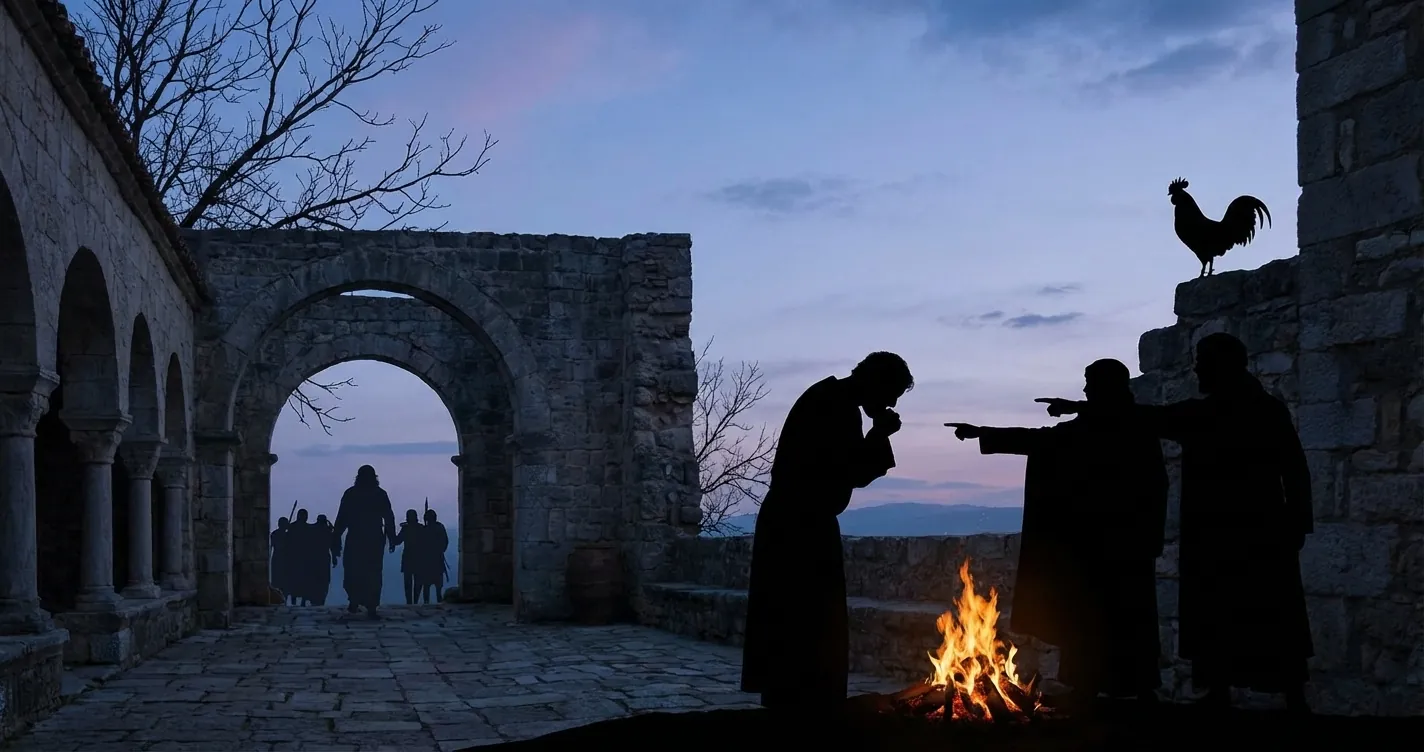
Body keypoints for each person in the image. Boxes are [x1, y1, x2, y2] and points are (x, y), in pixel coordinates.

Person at [1036, 333, 1313, 713]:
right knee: (1243, 612)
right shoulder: (1255, 410)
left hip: (1243, 533)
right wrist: (1297, 521)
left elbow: (1293, 468)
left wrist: (1297, 522)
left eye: (1203, 360)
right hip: (1244, 532)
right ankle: (1236, 694)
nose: (1197, 367)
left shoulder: (1225, 413)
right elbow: (1148, 418)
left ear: (1223, 364)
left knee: (1261, 612)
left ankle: (1264, 696)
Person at [948, 358, 1168, 707]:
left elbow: (1044, 441)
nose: (1084, 390)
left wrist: (983, 433)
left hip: (1104, 546)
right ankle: (1123, 688)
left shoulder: (1118, 426)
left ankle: (1093, 687)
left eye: (1089, 384)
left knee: (1102, 620)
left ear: (1103, 387)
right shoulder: (1133, 425)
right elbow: (1047, 440)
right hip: (1126, 545)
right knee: (1122, 619)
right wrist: (984, 433)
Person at [741, 351, 914, 717]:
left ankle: (796, 702)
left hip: (798, 522)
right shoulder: (834, 406)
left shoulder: (830, 399)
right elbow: (847, 470)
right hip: (800, 528)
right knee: (807, 624)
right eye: (892, 392)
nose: (892, 402)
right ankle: (806, 708)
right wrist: (879, 434)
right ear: (875, 382)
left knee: (797, 622)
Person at [331, 465, 398, 618]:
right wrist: (391, 537)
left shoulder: (351, 494)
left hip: (358, 537)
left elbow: (342, 519)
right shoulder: (379, 494)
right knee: (370, 572)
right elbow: (388, 517)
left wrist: (336, 537)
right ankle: (368, 604)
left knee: (356, 571)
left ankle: (357, 601)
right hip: (372, 538)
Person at [393, 509, 424, 605]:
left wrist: (391, 536)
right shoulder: (421, 528)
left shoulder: (406, 529)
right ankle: (414, 601)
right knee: (417, 581)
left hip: (408, 556)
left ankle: (410, 602)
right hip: (418, 556)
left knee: (409, 581)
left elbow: (397, 541)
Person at [420, 508, 449, 604]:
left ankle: (427, 602)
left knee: (427, 585)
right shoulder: (439, 527)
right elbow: (445, 542)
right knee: (436, 585)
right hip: (436, 559)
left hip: (428, 560)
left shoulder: (425, 530)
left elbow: (421, 544)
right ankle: (437, 600)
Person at [310, 513, 336, 606]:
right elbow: (332, 546)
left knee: (317, 579)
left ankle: (316, 599)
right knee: (323, 580)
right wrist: (334, 558)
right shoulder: (328, 531)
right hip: (323, 557)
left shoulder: (313, 530)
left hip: (315, 557)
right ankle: (320, 599)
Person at [269, 517, 293, 602]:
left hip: (284, 560)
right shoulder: (276, 534)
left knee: (284, 581)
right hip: (278, 559)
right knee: (277, 581)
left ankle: (283, 598)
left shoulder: (287, 535)